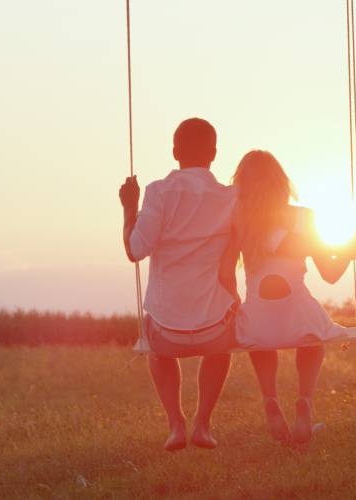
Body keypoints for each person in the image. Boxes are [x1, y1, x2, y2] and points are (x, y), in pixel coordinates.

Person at [218, 150, 356, 447]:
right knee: (312, 337)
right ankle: (304, 403)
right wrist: (354, 244)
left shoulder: (241, 220)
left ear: (242, 184)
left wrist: (236, 304)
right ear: (281, 182)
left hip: (259, 321)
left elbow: (224, 272)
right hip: (300, 315)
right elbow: (331, 273)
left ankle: (270, 400)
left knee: (258, 335)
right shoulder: (304, 217)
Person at [119, 118, 237, 451]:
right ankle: (203, 423)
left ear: (174, 152)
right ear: (214, 154)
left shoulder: (158, 192)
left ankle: (176, 423)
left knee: (156, 351)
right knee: (221, 349)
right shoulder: (231, 197)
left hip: (166, 332)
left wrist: (129, 207)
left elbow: (135, 250)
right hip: (216, 330)